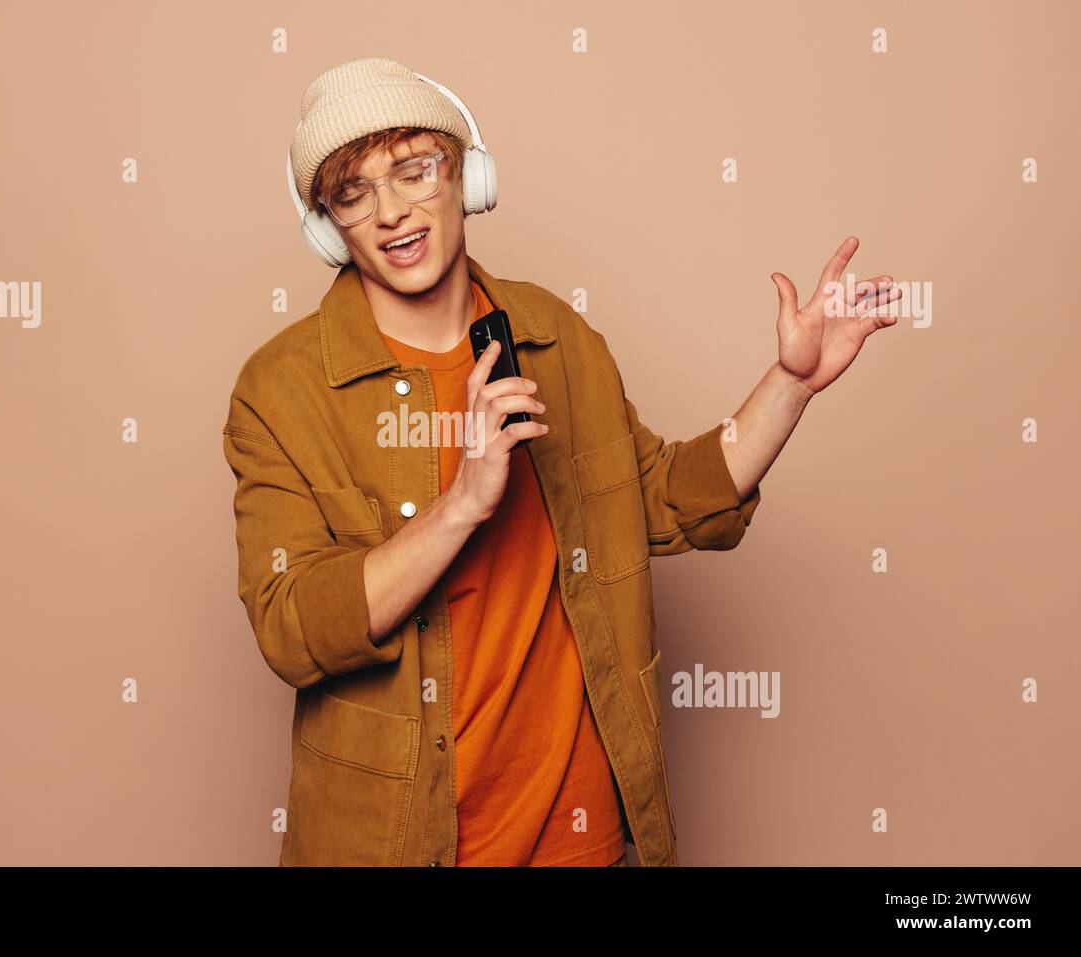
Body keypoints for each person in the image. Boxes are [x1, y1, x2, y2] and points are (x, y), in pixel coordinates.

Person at [221, 56, 900, 867]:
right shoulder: (282, 389)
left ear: (465, 178)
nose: (392, 210)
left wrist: (790, 384)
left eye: (413, 170)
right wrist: (464, 501)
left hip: (587, 846)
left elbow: (657, 499)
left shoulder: (554, 334)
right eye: (353, 191)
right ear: (329, 223)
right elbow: (292, 628)